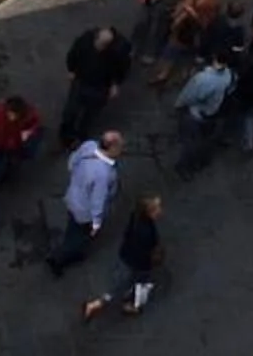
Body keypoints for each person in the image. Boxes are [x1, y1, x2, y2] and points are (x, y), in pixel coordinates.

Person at [83, 193, 167, 322]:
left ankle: (103, 302)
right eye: (157, 209)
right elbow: (145, 252)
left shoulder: (136, 217)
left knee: (119, 283)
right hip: (137, 264)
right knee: (126, 286)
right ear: (149, 212)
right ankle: (103, 305)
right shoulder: (146, 232)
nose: (160, 211)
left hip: (126, 256)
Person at [49, 130, 124, 274]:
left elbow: (72, 162)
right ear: (112, 148)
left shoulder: (89, 146)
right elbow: (98, 200)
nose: (121, 149)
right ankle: (60, 258)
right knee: (79, 236)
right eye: (119, 146)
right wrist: (96, 223)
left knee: (72, 227)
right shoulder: (104, 174)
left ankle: (65, 247)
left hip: (73, 197)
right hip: (85, 212)